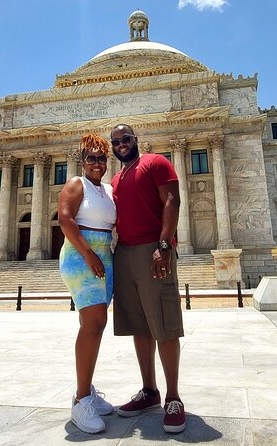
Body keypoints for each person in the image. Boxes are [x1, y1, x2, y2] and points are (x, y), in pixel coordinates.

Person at [109, 123, 186, 433]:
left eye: (126, 139)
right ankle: (149, 391)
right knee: (139, 326)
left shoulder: (156, 162)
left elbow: (172, 201)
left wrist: (164, 244)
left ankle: (173, 398)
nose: (121, 144)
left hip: (153, 251)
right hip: (124, 253)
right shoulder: (116, 178)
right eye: (115, 141)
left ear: (136, 140)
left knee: (164, 324)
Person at [58, 133, 117, 434]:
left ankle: (87, 388)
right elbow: (65, 219)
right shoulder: (75, 184)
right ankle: (81, 401)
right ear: (82, 161)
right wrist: (89, 254)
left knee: (96, 324)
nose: (97, 163)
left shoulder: (106, 189)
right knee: (92, 324)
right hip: (82, 256)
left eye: (102, 157)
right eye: (91, 158)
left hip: (103, 256)